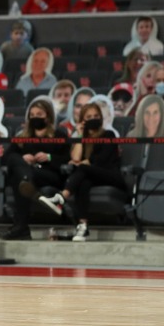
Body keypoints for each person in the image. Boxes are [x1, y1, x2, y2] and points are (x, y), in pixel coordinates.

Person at [39, 101, 126, 242]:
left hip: (110, 175)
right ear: (83, 121)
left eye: (96, 116)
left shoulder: (108, 134)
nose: (93, 119)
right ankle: (83, 226)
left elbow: (102, 159)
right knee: (84, 182)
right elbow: (75, 158)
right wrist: (79, 135)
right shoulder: (83, 138)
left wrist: (85, 163)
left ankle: (61, 197)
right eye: (89, 117)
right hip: (91, 176)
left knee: (83, 169)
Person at [1, 97, 70, 240]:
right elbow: (6, 158)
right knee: (15, 160)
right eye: (32, 115)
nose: (35, 118)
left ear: (48, 116)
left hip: (50, 174)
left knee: (18, 177)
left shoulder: (59, 135)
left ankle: (21, 227)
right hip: (29, 173)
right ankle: (26, 181)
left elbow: (68, 159)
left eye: (39, 115)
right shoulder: (23, 137)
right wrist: (23, 159)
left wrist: (49, 157)